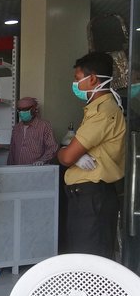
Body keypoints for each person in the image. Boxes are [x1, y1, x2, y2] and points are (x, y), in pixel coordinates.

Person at [57, 52, 125, 258]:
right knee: (82, 255)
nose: (76, 85)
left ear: (93, 79)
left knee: (89, 259)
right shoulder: (95, 109)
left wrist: (64, 152)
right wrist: (68, 152)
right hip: (87, 196)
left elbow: (67, 157)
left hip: (93, 196)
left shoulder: (102, 112)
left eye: (78, 79)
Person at [7, 97, 58, 165]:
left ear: (34, 109)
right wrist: (9, 169)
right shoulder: (16, 128)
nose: (22, 112)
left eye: (25, 109)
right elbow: (12, 151)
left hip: (36, 170)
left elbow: (52, 148)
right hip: (18, 170)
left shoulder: (44, 126)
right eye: (20, 110)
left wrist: (42, 161)